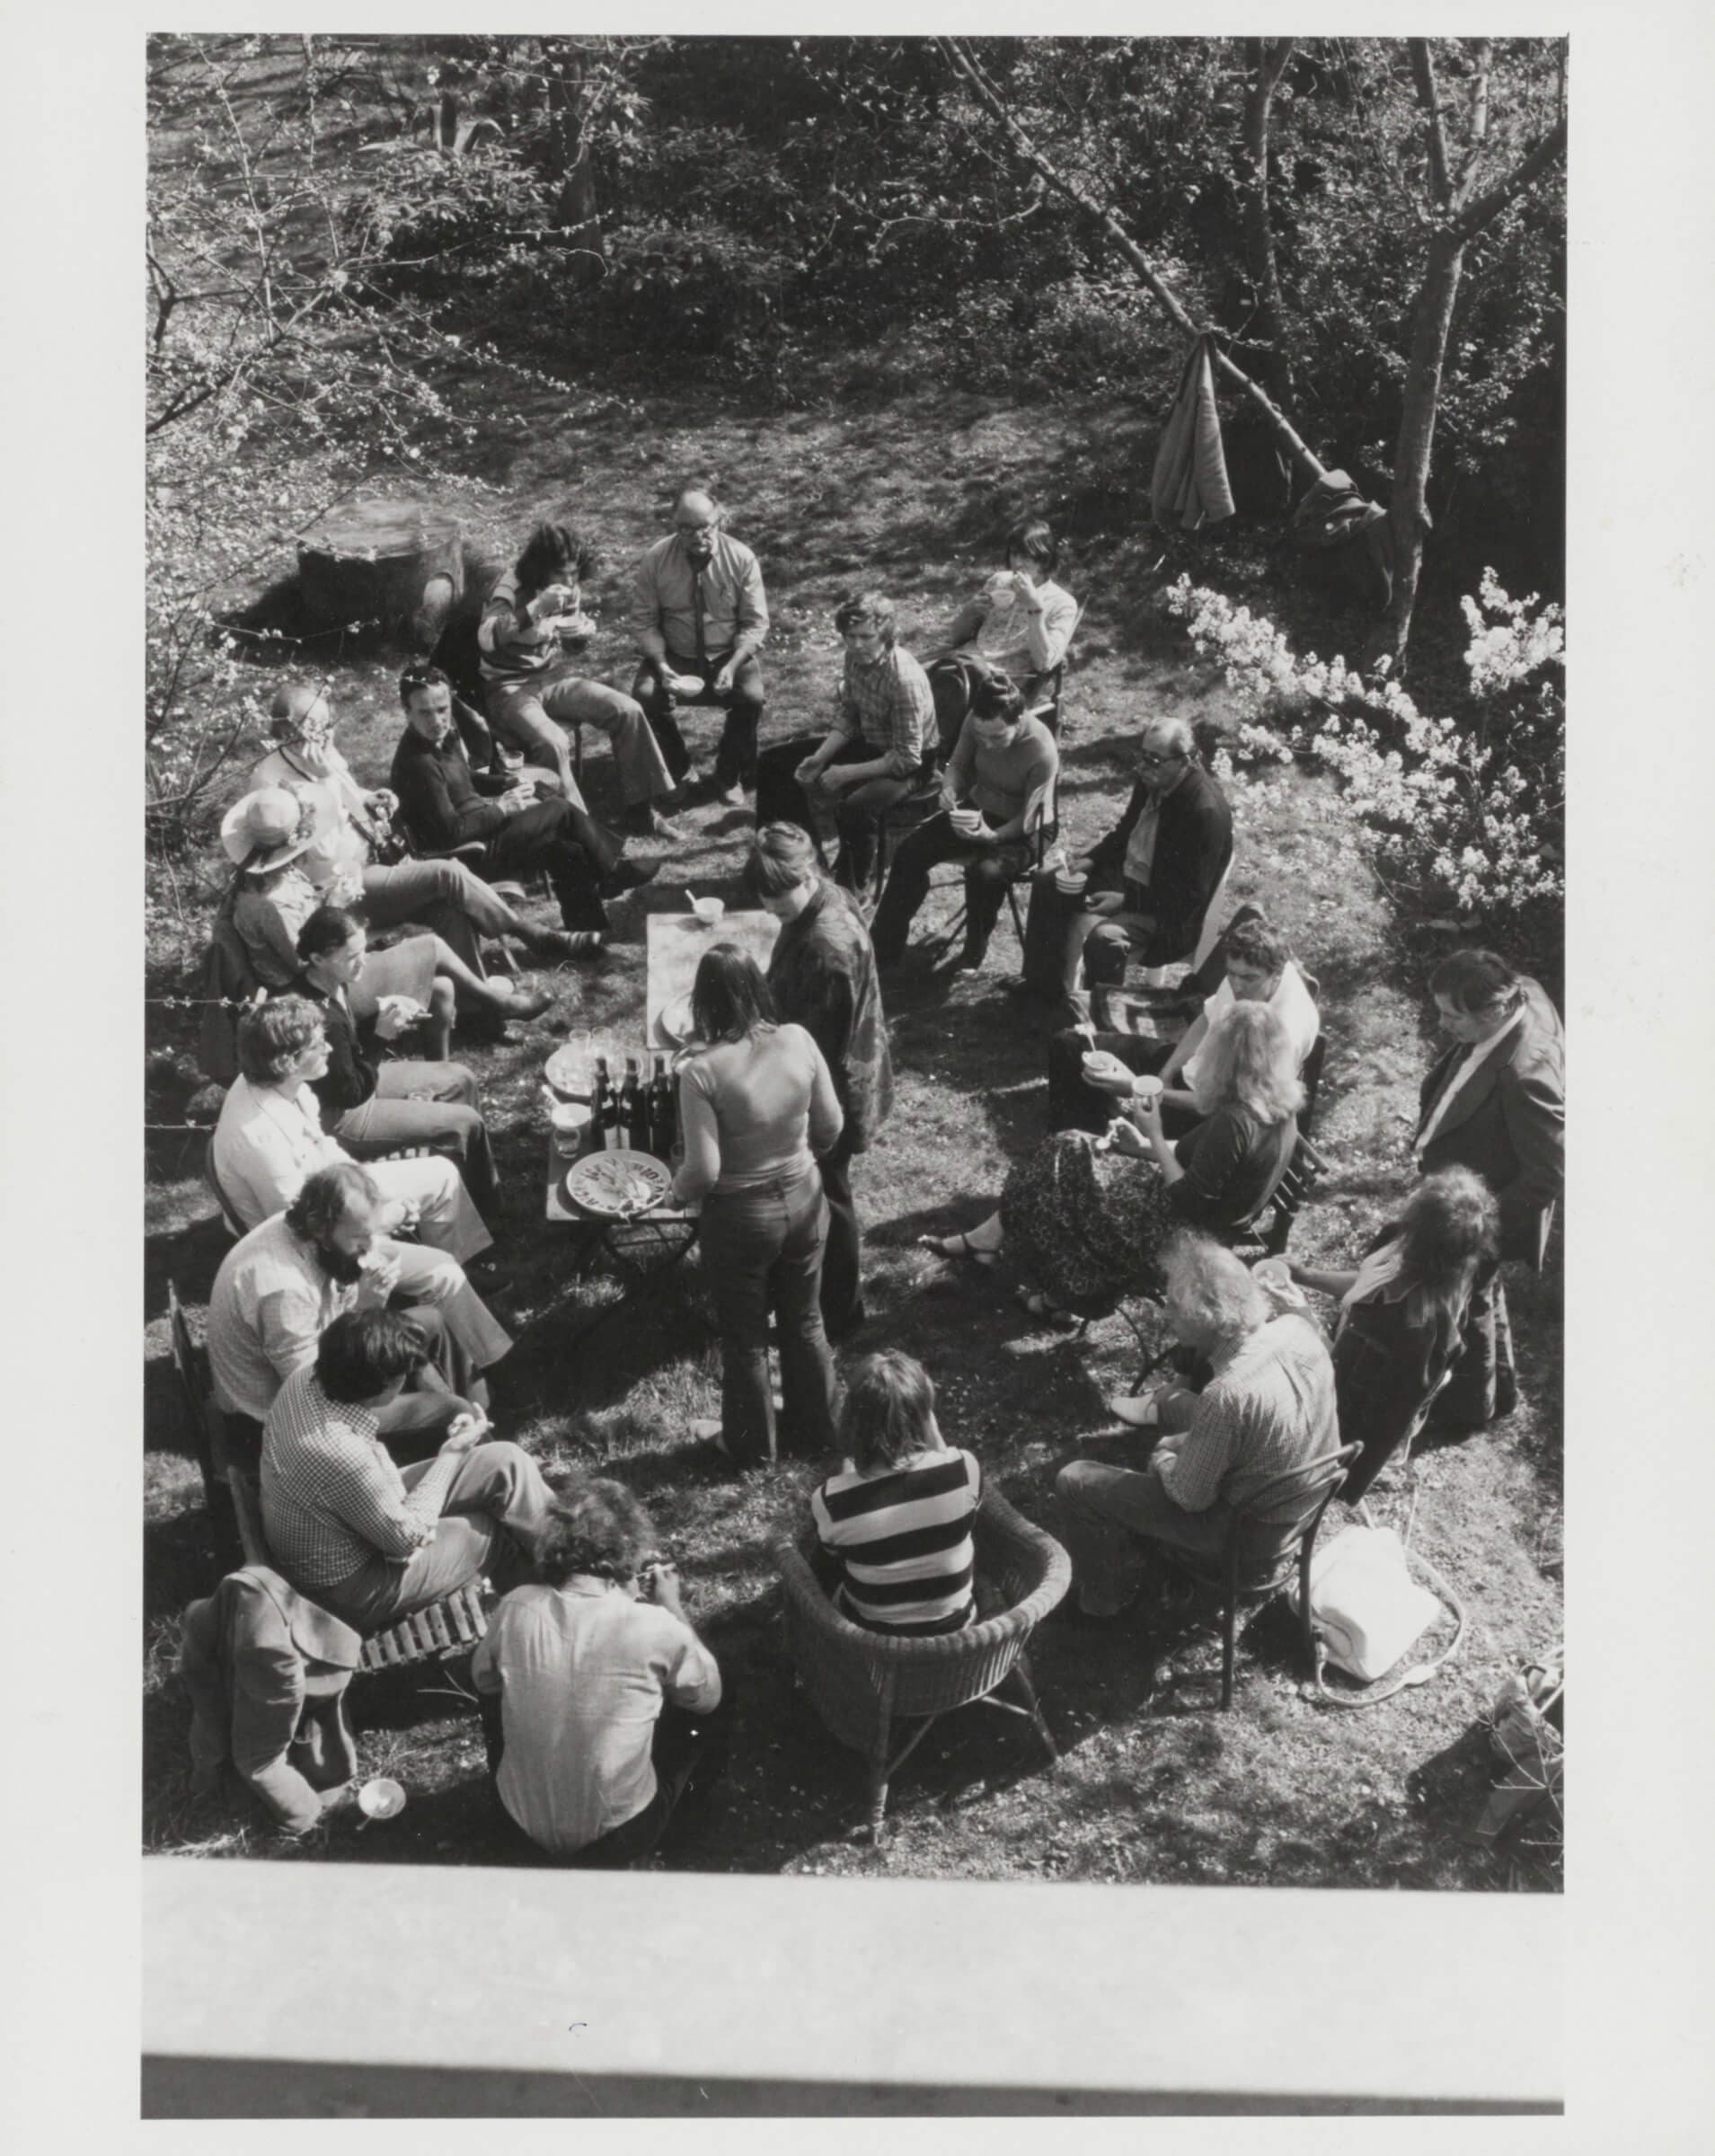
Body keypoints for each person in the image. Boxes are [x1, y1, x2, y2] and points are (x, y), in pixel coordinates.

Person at [923, 1002, 1302, 1325]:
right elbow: (1203, 1162)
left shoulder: (1235, 1122)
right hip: (1188, 1216)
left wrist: (1152, 1133)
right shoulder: (1275, 1106)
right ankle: (1015, 1265)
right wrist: (1140, 1146)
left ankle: (1057, 1288)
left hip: (1181, 1236)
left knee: (1059, 1164)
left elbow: (1189, 1201)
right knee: (1070, 1147)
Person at [1054, 1233, 1339, 1620]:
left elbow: (1190, 1498)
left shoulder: (1227, 1395)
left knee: (1074, 1480)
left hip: (1251, 1530)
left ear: (1206, 1319)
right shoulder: (1298, 1330)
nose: (1165, 1315)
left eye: (1173, 1307)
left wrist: (1165, 1455)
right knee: (1173, 1404)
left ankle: (1101, 1600)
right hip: (1302, 1498)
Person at [472, 1475, 729, 1868]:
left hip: (518, 1825)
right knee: (710, 1701)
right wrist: (672, 1608)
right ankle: (682, 1827)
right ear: (631, 1551)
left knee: (495, 1691)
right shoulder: (655, 1625)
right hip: (619, 1834)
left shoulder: (516, 1605)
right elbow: (709, 1698)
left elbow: (483, 1682)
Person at [261, 1309, 556, 1631]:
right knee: (488, 1531)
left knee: (506, 1461)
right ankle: (553, 1614)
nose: (405, 1384)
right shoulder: (341, 1452)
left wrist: (453, 1455)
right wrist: (452, 1454)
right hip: (352, 1587)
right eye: (402, 1378)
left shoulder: (307, 1377)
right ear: (382, 1387)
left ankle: (572, 1556)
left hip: (354, 1523)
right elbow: (404, 1541)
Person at [252, 684, 579, 975]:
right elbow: (317, 852)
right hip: (340, 887)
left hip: (379, 859)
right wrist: (322, 777)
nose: (326, 735)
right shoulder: (271, 784)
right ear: (287, 732)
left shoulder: (323, 751)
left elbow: (348, 798)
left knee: (449, 909)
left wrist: (371, 799)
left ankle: (479, 1010)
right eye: (315, 729)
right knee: (446, 874)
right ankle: (530, 934)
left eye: (328, 726)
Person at [671, 945, 844, 1466]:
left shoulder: (700, 1072)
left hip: (741, 1219)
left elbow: (703, 1172)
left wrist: (674, 1193)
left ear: (704, 1005)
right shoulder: (798, 1039)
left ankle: (749, 1447)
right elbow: (831, 1127)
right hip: (806, 1199)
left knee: (745, 1339)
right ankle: (818, 1432)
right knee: (806, 1319)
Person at [206, 1161, 512, 1446]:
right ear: (321, 1229)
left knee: (433, 1320)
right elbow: (312, 1390)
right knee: (451, 1409)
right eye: (360, 1239)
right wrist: (365, 1311)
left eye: (373, 1235)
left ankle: (487, 1423)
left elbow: (330, 1316)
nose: (370, 1248)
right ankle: (476, 1443)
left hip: (320, 1373)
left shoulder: (315, 1238)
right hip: (288, 1421)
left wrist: (365, 1304)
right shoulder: (282, 1289)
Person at [221, 787, 551, 1030]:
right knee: (432, 945)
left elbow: (311, 926)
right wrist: (336, 907)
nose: (307, 853)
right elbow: (306, 963)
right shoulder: (266, 903)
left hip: (333, 964)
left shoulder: (276, 877)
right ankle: (497, 1004)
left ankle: (478, 1014)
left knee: (445, 910)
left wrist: (333, 897)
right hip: (322, 993)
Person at [745, 823, 893, 1339]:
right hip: (840, 1064)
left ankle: (843, 1314)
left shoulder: (827, 949)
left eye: (778, 902)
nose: (771, 911)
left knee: (830, 1193)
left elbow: (815, 1052)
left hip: (832, 1087)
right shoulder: (823, 898)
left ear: (807, 875)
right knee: (829, 1191)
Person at [389, 663, 659, 940]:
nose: (437, 720)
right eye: (425, 712)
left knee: (565, 846)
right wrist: (502, 808)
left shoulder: (443, 736)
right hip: (467, 855)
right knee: (560, 810)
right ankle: (613, 870)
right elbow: (450, 834)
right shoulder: (417, 764)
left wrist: (507, 782)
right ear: (407, 712)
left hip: (484, 830)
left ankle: (588, 933)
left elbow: (462, 780)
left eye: (442, 709)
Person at [210, 996, 493, 1259]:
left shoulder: (280, 1082)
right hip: (302, 1251)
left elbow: (323, 1146)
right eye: (317, 1045)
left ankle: (459, 1261)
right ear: (288, 1061)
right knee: (437, 1268)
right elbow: (298, 1226)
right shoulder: (261, 1137)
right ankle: (446, 1277)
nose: (329, 1049)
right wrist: (383, 1217)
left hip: (325, 1193)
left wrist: (366, 1186)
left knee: (441, 1173)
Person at [1411, 948, 1564, 1427]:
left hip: (1483, 1211)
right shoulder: (1520, 991)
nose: (1441, 1025)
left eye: (1452, 1015)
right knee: (1482, 1291)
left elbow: (1550, 1171)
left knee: (1469, 1298)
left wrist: (1475, 1225)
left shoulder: (1525, 1074)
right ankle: (1501, 1393)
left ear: (1494, 1011)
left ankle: (1466, 1412)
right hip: (1470, 1189)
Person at [1288, 1168, 1501, 1501]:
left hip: (1338, 1426)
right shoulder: (1448, 1268)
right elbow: (1370, 1280)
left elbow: (1332, 1382)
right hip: (1368, 1384)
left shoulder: (1394, 1324)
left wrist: (1297, 1313)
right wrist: (1307, 1275)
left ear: (1420, 1237)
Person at [1018, 718, 1233, 1020]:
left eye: (1154, 759)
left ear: (1185, 761)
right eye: (1142, 755)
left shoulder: (1205, 812)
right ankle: (1043, 991)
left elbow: (1190, 896)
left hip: (1170, 916)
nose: (1143, 766)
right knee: (1047, 881)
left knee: (1106, 939)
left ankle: (1096, 1019)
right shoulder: (1153, 780)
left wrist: (1126, 902)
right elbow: (1125, 832)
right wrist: (1090, 860)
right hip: (1133, 880)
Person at [478, 520, 683, 835]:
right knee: (554, 742)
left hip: (548, 680)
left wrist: (581, 636)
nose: (571, 581)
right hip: (506, 689)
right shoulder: (510, 588)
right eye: (562, 573)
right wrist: (536, 607)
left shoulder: (569, 588)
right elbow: (487, 639)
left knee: (627, 709)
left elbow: (570, 647)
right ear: (541, 568)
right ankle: (585, 837)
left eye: (575, 573)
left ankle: (642, 813)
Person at [293, 906, 495, 1203]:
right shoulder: (317, 1014)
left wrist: (382, 1014)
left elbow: (345, 1055)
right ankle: (485, 1203)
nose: (363, 962)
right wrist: (381, 1036)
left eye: (363, 951)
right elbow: (351, 1094)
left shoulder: (328, 981)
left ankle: (464, 1175)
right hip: (340, 1116)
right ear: (317, 959)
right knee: (467, 1123)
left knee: (462, 1078)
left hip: (353, 1078)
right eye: (352, 957)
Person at [1052, 912, 1319, 1135]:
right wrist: (1165, 1075)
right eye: (1231, 974)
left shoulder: (1285, 1030)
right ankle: (1073, 1139)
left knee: (1122, 1119)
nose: (1236, 986)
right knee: (1069, 1045)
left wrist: (1141, 1089)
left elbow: (1231, 1110)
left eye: (1248, 979)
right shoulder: (1248, 968)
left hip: (1205, 1114)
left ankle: (1090, 1148)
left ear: (1277, 974)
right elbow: (1206, 1018)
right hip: (1192, 1072)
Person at [869, 668, 1059, 973]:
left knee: (985, 874)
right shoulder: (976, 721)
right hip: (980, 807)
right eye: (981, 736)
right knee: (909, 853)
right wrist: (949, 788)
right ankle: (883, 948)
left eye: (997, 737)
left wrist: (993, 838)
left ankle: (973, 952)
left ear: (1019, 719)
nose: (987, 744)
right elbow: (957, 764)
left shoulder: (1041, 749)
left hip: (1028, 826)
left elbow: (1032, 817)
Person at [753, 593, 933, 893]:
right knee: (774, 762)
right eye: (850, 636)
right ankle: (791, 862)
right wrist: (821, 758)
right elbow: (850, 713)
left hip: (910, 765)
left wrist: (846, 773)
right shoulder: (855, 657)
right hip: (870, 742)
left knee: (856, 808)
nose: (857, 644)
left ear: (886, 634)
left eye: (866, 636)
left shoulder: (905, 680)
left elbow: (907, 758)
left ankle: (852, 887)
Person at [809, 1351, 983, 1636]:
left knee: (828, 1550)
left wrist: (848, 1479)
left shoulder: (831, 1499)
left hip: (873, 1637)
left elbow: (833, 1561)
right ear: (926, 1419)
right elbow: (941, 1460)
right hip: (957, 1631)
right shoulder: (964, 1469)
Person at [630, 483, 770, 806]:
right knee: (644, 697)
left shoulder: (741, 558)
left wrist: (733, 665)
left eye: (704, 526)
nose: (696, 536)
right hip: (675, 655)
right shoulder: (656, 559)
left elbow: (755, 623)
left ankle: (728, 774)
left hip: (727, 652)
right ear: (674, 525)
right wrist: (662, 666)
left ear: (719, 520)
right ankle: (679, 770)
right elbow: (644, 620)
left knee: (751, 698)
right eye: (685, 528)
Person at [924, 517, 1080, 755]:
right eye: (1014, 554)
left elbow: (1044, 663)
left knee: (951, 685)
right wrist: (970, 611)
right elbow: (956, 637)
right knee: (916, 679)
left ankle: (933, 755)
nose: (1017, 563)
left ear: (1044, 559)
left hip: (1003, 682)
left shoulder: (1062, 604)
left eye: (1026, 557)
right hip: (961, 665)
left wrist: (1034, 609)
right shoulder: (999, 581)